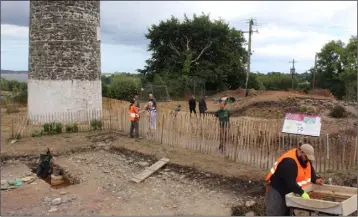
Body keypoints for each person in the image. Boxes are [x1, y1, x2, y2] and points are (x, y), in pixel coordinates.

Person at [265, 144, 324, 216]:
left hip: (290, 191)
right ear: (301, 152)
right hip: (278, 191)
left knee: (286, 213)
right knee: (276, 213)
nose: (308, 160)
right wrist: (302, 193)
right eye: (306, 157)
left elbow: (309, 172)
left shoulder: (305, 160)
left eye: (309, 158)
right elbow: (291, 183)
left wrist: (316, 179)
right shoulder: (289, 162)